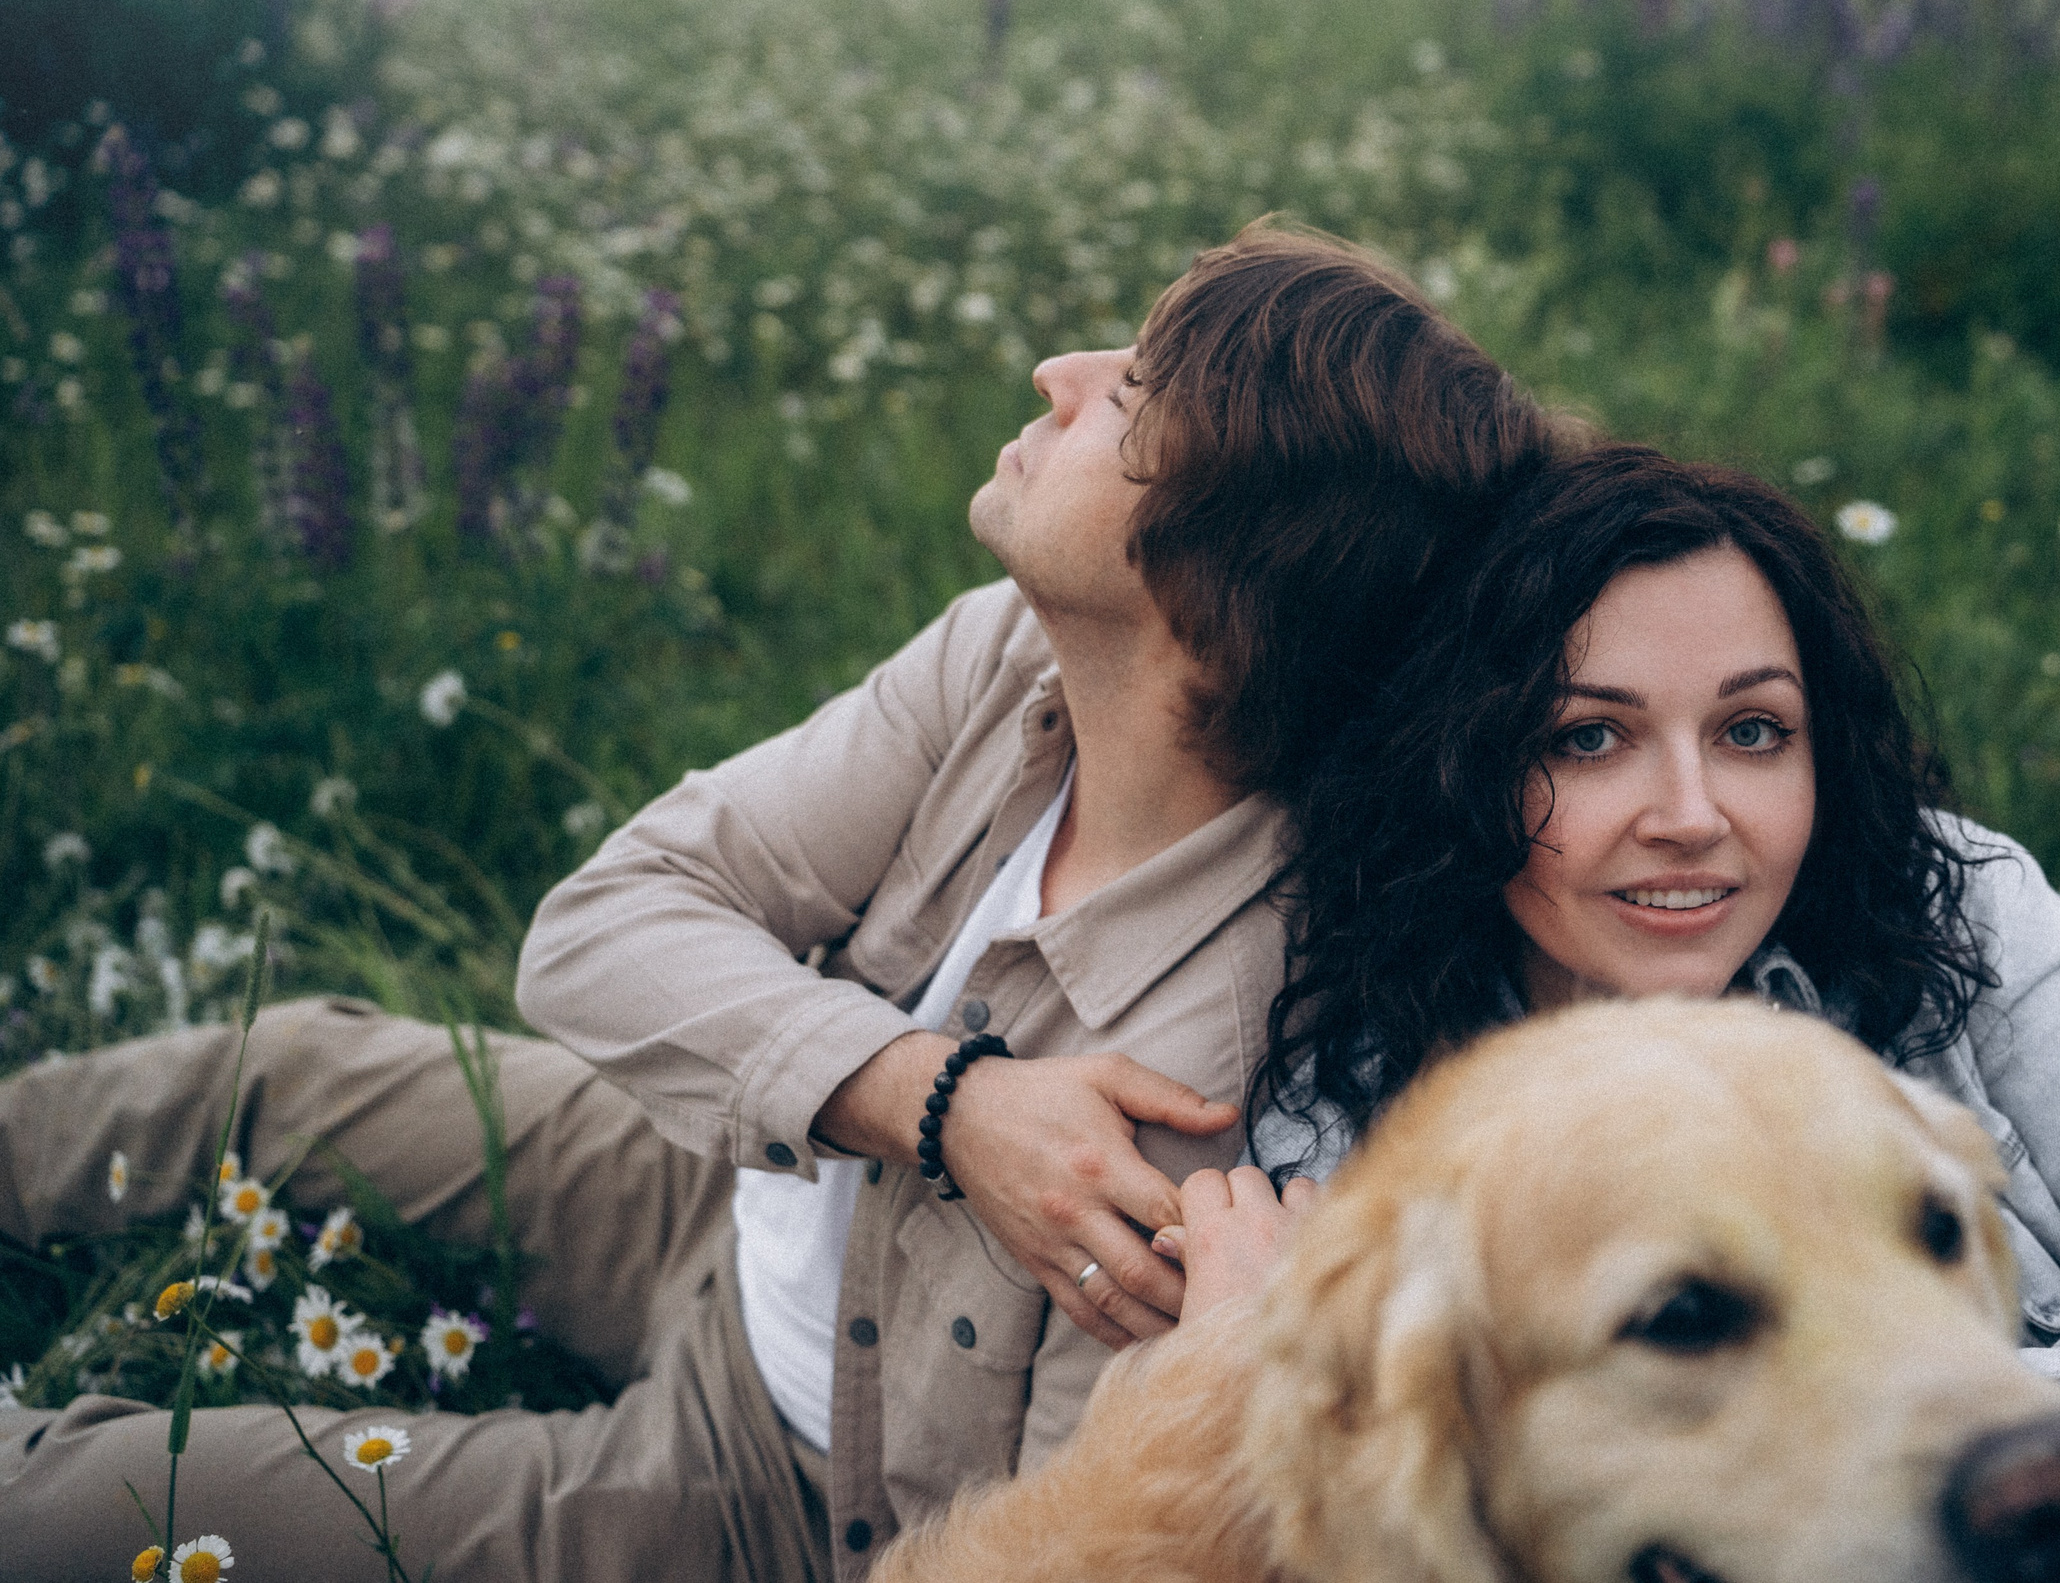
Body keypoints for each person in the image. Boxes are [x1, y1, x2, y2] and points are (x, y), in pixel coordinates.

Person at [0, 221, 1565, 1580]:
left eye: (1133, 394)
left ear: (1218, 588)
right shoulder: (1007, 658)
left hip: (771, 1482)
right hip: (736, 1199)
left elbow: (1065, 1542)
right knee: (291, 1069)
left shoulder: (1216, 1097)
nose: (1059, 374)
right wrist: (939, 1101)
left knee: (103, 1501)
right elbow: (605, 922)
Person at [1197, 443, 2060, 1583]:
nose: (1691, 817)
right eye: (1587, 737)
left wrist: (2015, 1471)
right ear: (1461, 765)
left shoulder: (1949, 900)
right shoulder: (1372, 1146)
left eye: (1753, 731)